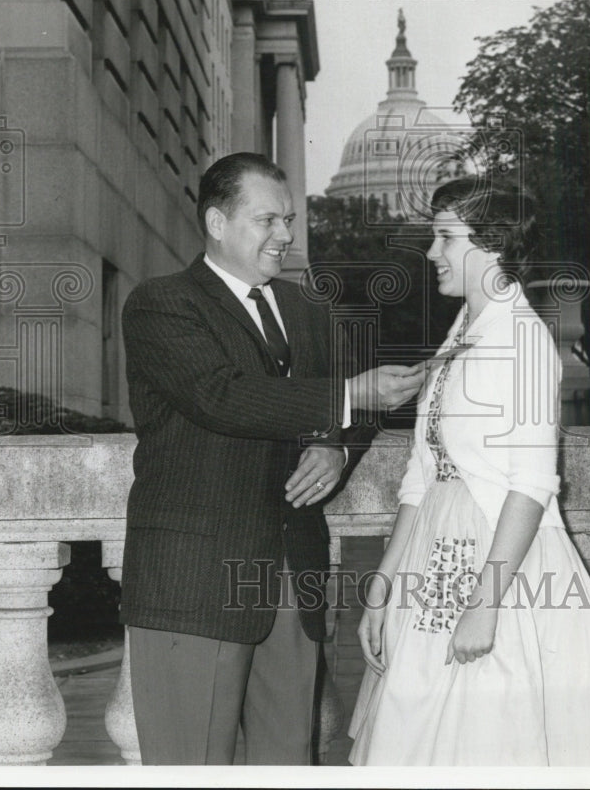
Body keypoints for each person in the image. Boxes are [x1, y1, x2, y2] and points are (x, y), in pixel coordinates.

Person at [119, 152, 423, 765]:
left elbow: (360, 409)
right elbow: (220, 396)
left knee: (288, 762)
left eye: (288, 220)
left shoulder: (309, 310)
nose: (285, 235)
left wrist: (335, 447)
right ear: (216, 223)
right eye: (267, 221)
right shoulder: (161, 304)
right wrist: (348, 395)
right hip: (193, 582)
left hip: (292, 575)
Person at [348, 174, 590, 766]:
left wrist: (485, 604)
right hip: (433, 557)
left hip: (500, 568)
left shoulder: (523, 339)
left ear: (491, 244)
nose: (432, 252)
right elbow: (422, 473)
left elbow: (532, 485)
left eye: (445, 237)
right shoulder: (463, 330)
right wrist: (383, 584)